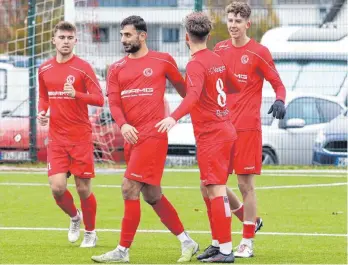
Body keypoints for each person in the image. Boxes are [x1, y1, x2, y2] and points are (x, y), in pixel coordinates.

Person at [91, 15, 198, 263]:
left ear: (142, 35)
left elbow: (188, 93)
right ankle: (187, 241)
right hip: (132, 138)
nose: (123, 40)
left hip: (153, 136)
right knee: (152, 196)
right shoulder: (116, 68)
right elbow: (114, 103)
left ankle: (122, 251)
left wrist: (175, 117)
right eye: (121, 35)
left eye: (128, 35)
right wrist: (123, 124)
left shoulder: (163, 60)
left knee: (128, 188)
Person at [198, 1, 287, 259]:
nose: (233, 25)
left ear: (247, 24)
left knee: (244, 184)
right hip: (220, 128)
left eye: (238, 21)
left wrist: (280, 100)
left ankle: (247, 240)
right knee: (209, 184)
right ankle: (226, 235)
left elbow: (278, 84)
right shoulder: (220, 49)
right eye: (230, 20)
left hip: (247, 129)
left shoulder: (259, 52)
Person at [156, 12, 242, 263]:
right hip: (223, 129)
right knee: (207, 188)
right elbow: (235, 85)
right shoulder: (216, 58)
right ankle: (217, 243)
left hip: (213, 134)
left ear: (186, 37)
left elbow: (191, 97)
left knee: (216, 190)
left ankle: (226, 250)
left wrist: (173, 117)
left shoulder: (196, 63)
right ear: (208, 34)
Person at [37, 21, 104, 248]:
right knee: (57, 187)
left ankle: (91, 232)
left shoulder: (83, 67)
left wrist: (77, 94)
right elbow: (44, 97)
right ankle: (75, 217)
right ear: (53, 40)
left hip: (80, 137)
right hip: (57, 137)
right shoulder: (44, 69)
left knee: (83, 189)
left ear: (75, 41)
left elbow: (99, 99)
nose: (65, 42)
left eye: (69, 38)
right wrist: (42, 113)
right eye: (61, 37)